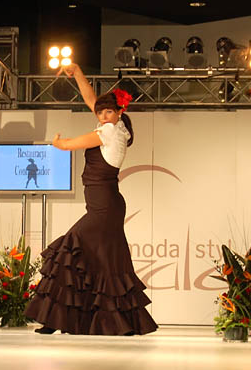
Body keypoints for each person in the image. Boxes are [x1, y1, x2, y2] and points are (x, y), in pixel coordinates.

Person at [24, 63, 158, 336]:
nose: (103, 115)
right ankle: (119, 323)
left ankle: (55, 320)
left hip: (103, 207)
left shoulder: (108, 131)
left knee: (70, 251)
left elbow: (72, 144)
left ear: (119, 112)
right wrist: (77, 72)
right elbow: (91, 100)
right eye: (101, 112)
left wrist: (59, 144)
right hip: (107, 204)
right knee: (104, 262)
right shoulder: (118, 128)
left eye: (109, 111)